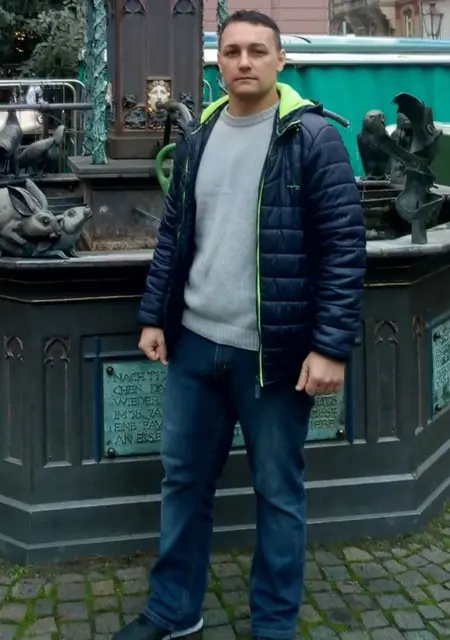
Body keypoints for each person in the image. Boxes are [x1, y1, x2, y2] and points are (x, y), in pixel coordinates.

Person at [115, 10, 366, 640]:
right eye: (232, 51)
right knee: (183, 483)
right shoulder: (199, 135)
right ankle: (174, 609)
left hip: (272, 355)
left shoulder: (312, 138)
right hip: (195, 346)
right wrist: (154, 316)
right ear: (218, 62)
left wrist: (331, 347)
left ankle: (274, 625)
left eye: (258, 50)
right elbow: (174, 234)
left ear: (281, 60)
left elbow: (343, 248)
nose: (245, 61)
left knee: (278, 493)